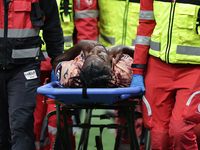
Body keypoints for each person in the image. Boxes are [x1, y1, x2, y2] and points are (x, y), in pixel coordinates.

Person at [131, 0, 200, 149]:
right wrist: (137, 71)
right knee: (159, 137)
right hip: (157, 66)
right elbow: (145, 26)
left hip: (195, 69)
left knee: (180, 130)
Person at [0, 0, 64, 150]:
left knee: (20, 125)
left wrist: (58, 63)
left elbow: (52, 26)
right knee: (2, 132)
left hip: (24, 69)